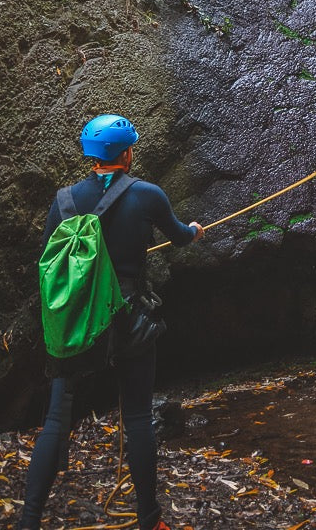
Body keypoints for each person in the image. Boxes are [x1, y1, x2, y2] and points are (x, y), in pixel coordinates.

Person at [18, 113, 205, 530]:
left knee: (55, 420)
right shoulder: (147, 195)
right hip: (128, 320)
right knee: (137, 417)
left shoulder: (63, 201)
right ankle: (148, 519)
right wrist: (194, 232)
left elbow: (51, 262)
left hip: (80, 324)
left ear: (91, 156)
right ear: (127, 153)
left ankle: (28, 521)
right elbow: (178, 236)